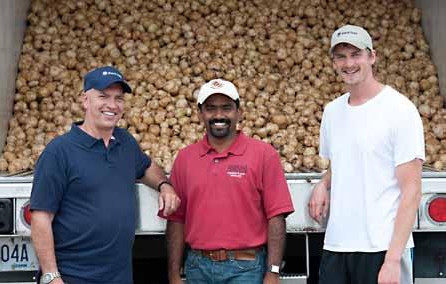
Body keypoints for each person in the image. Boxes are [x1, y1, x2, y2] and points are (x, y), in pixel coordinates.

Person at [30, 66, 180, 284]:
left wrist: (164, 185)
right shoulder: (59, 152)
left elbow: (147, 167)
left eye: (118, 98)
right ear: (85, 101)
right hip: (74, 278)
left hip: (118, 277)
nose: (112, 105)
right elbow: (41, 218)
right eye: (103, 96)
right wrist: (52, 277)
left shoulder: (125, 142)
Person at [308, 25, 425, 284]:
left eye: (356, 54)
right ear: (333, 62)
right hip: (337, 245)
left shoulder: (400, 110)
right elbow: (345, 160)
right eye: (341, 56)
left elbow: (412, 190)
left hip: (382, 247)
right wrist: (323, 183)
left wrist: (393, 261)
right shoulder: (332, 112)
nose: (348, 63)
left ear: (372, 56)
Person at [163, 79, 294, 284]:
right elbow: (176, 220)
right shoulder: (185, 159)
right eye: (210, 109)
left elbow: (276, 216)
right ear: (200, 114)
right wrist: (173, 274)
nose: (218, 115)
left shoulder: (263, 154)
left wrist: (273, 272)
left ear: (239, 112)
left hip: (247, 269)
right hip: (198, 268)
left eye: (226, 108)